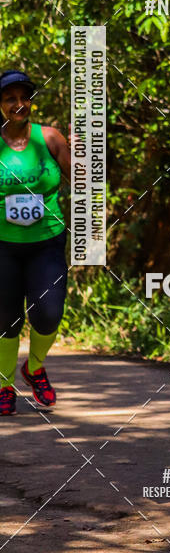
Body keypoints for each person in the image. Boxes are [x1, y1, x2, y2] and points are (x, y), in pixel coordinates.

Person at [0, 70, 70, 416]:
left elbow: (84, 182)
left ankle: (35, 367)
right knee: (5, 320)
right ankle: (4, 385)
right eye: (10, 98)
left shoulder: (50, 137)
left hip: (47, 242)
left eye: (24, 97)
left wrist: (83, 154)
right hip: (3, 245)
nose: (19, 104)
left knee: (48, 314)